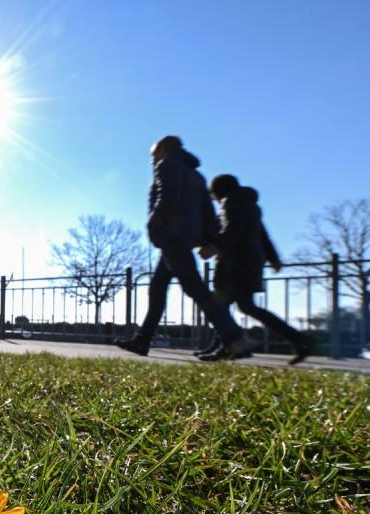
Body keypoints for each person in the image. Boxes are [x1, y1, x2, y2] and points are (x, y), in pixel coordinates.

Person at [114, 136, 249, 358]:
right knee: (157, 289)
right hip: (184, 237)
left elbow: (167, 197)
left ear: (164, 149)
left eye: (153, 153)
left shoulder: (167, 164)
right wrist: (208, 241)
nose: (152, 158)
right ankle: (142, 340)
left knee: (195, 288)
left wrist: (153, 225)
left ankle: (234, 338)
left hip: (172, 236)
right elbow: (207, 212)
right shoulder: (196, 175)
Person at [196, 175, 311, 364]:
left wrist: (213, 247)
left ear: (219, 191)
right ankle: (298, 339)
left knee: (219, 305)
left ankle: (232, 346)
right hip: (251, 261)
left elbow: (234, 229)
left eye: (212, 195)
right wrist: (273, 258)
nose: (213, 199)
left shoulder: (230, 202)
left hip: (234, 263)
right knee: (243, 306)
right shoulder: (250, 205)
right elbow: (263, 235)